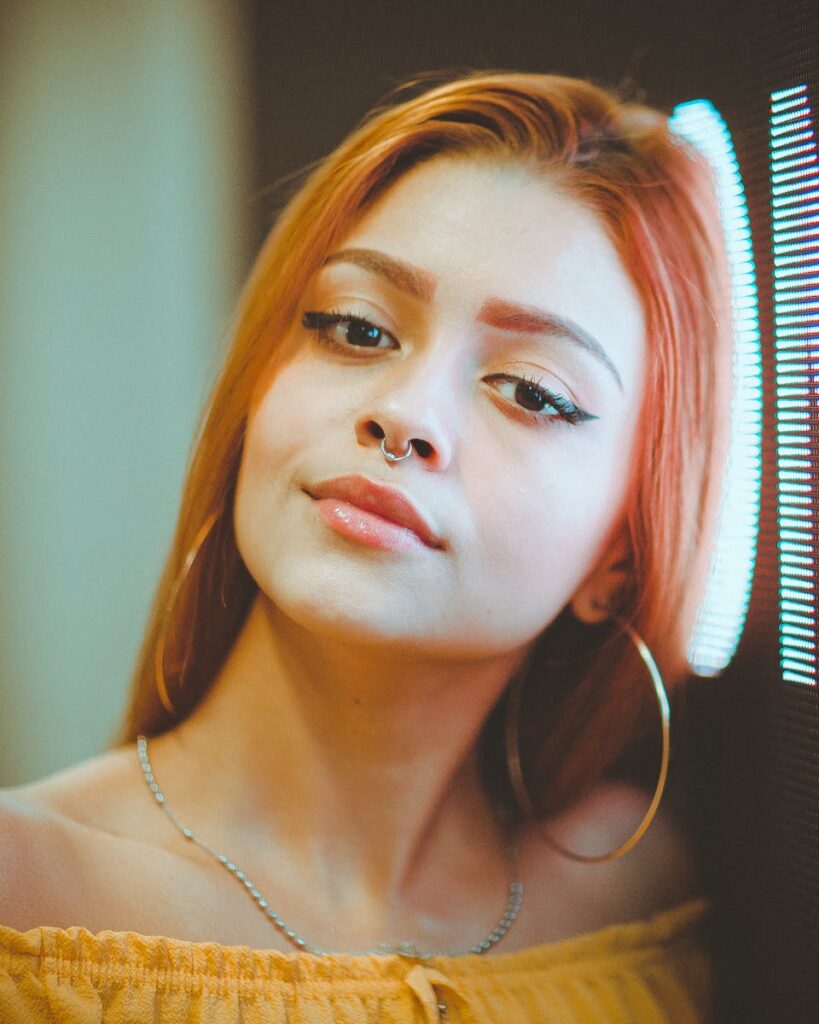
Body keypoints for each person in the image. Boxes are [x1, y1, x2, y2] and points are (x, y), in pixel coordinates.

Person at [0, 71, 730, 1022]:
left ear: (618, 558)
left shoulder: (642, 897)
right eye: (356, 328)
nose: (404, 413)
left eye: (531, 391)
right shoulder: (27, 893)